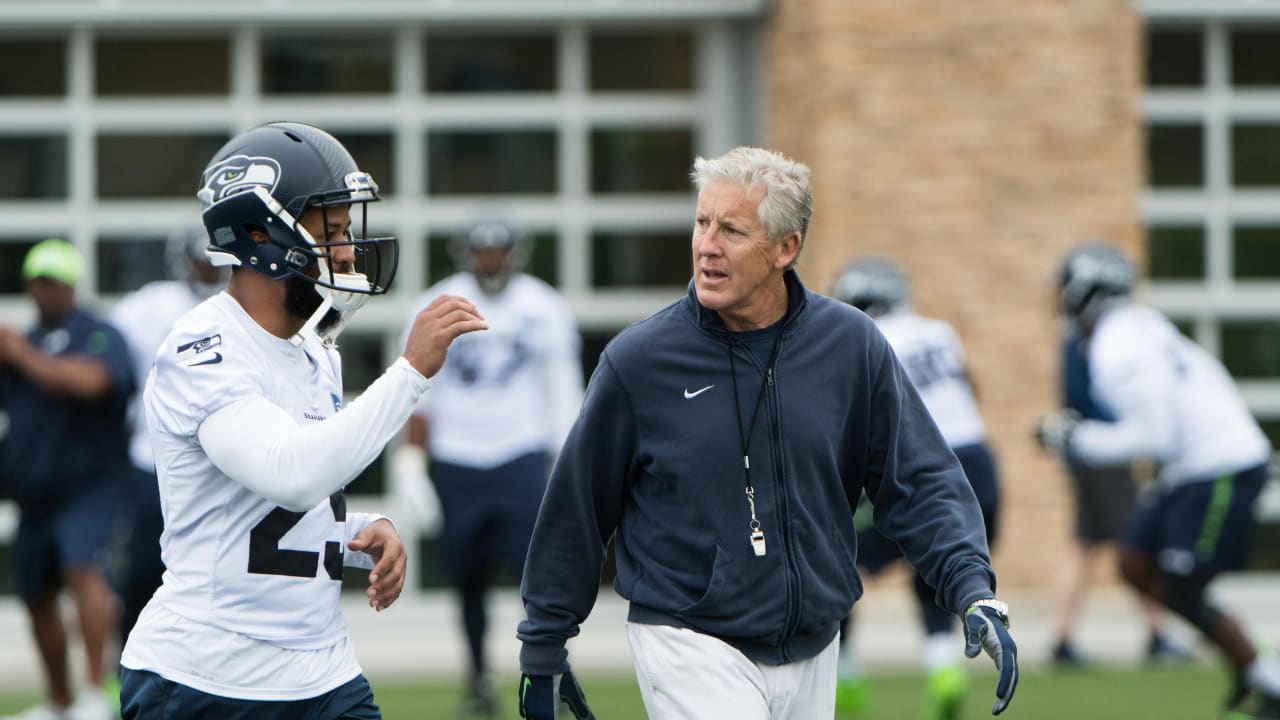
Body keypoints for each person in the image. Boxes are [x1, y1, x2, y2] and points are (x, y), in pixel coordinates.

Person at [516, 146, 1019, 720]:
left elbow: (922, 479)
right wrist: (544, 647)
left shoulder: (852, 346)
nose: (707, 245)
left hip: (815, 643)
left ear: (787, 248)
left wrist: (973, 590)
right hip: (688, 638)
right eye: (703, 222)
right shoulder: (638, 361)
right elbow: (577, 506)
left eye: (732, 230)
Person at [117, 121, 486, 719]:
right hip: (207, 677)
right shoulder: (201, 347)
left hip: (320, 670)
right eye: (331, 231)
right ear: (261, 233)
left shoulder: (314, 348)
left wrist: (362, 528)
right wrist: (411, 371)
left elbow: (275, 518)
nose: (345, 251)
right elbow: (288, 474)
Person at [1036, 243, 1280, 718]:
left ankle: (1265, 678)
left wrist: (1076, 439)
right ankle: (1253, 669)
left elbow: (1156, 437)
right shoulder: (1135, 327)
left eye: (1068, 289)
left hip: (1220, 465)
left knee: (1183, 582)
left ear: (1089, 292)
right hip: (1196, 467)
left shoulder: (1116, 344)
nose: (1062, 299)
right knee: (1133, 560)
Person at [395, 216, 582, 718]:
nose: (491, 261)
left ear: (516, 252)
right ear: (466, 253)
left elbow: (562, 390)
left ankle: (551, 673)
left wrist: (565, 462)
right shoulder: (438, 302)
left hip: (520, 453)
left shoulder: (542, 306)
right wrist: (412, 461)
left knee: (536, 580)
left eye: (499, 251)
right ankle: (479, 678)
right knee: (467, 579)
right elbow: (417, 384)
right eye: (483, 252)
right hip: (458, 458)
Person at [829, 257, 1002, 720]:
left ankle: (842, 674)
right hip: (979, 465)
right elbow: (969, 391)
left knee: (833, 555)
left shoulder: (868, 339)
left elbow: (856, 420)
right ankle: (944, 666)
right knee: (937, 572)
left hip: (919, 465)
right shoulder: (939, 331)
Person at [0, 238, 134, 720]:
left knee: (84, 570)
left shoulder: (99, 333)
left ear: (71, 286)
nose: (43, 292)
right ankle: (58, 704)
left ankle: (94, 695)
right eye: (36, 283)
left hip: (90, 488)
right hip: (33, 495)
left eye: (52, 283)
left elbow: (92, 382)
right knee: (35, 598)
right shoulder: (20, 344)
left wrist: (20, 356)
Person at [109, 225, 231, 651]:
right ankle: (126, 667)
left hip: (224, 462)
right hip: (153, 460)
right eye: (203, 261)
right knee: (142, 570)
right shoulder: (149, 306)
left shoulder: (241, 307)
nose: (210, 271)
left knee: (219, 571)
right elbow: (108, 359)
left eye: (217, 262)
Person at [1047, 330, 1189, 668]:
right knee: (1137, 542)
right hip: (1103, 459)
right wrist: (1128, 433)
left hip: (1088, 456)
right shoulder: (1091, 343)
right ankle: (1157, 635)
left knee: (1082, 544)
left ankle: (1063, 638)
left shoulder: (1077, 340)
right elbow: (1098, 401)